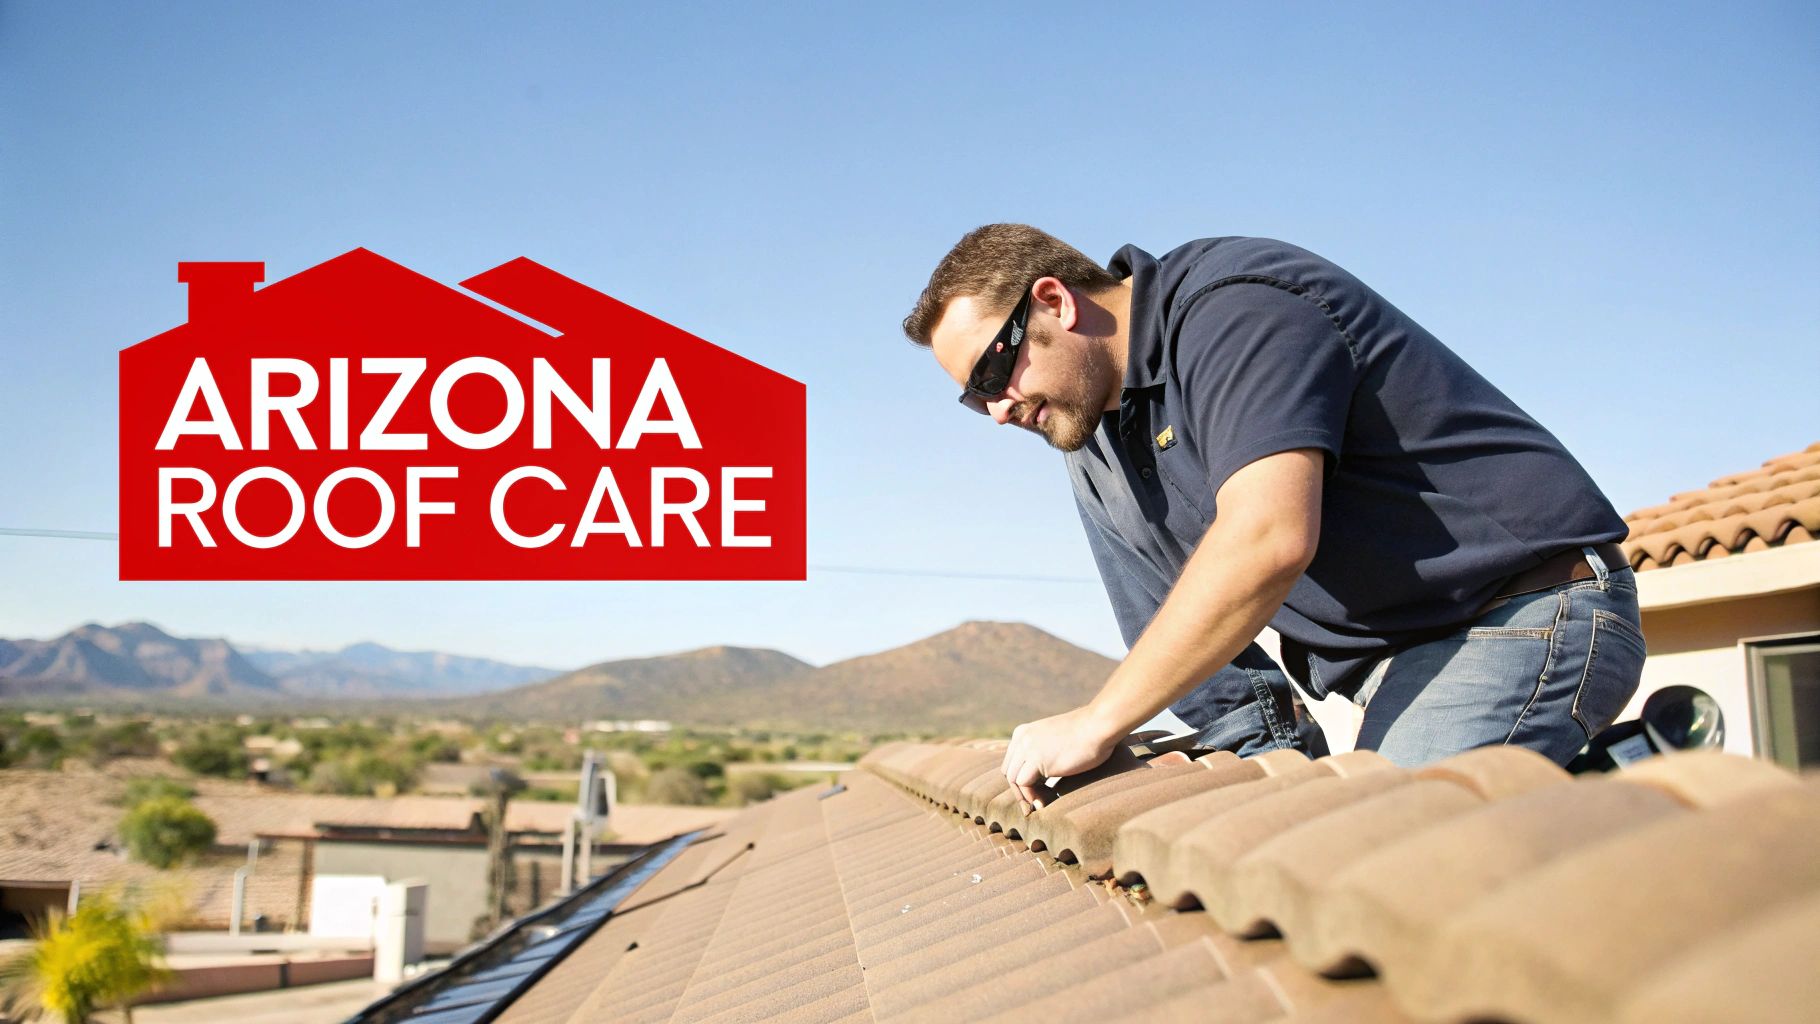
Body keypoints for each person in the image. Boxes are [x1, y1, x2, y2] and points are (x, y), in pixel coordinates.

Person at [902, 224, 1645, 807]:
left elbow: (1266, 538)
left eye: (994, 373)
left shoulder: (1235, 308)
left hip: (1522, 618)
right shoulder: (1089, 441)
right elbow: (1174, 626)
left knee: (1384, 864)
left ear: (1055, 303)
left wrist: (1099, 720)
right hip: (1394, 669)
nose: (997, 410)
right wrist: (1268, 788)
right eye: (974, 397)